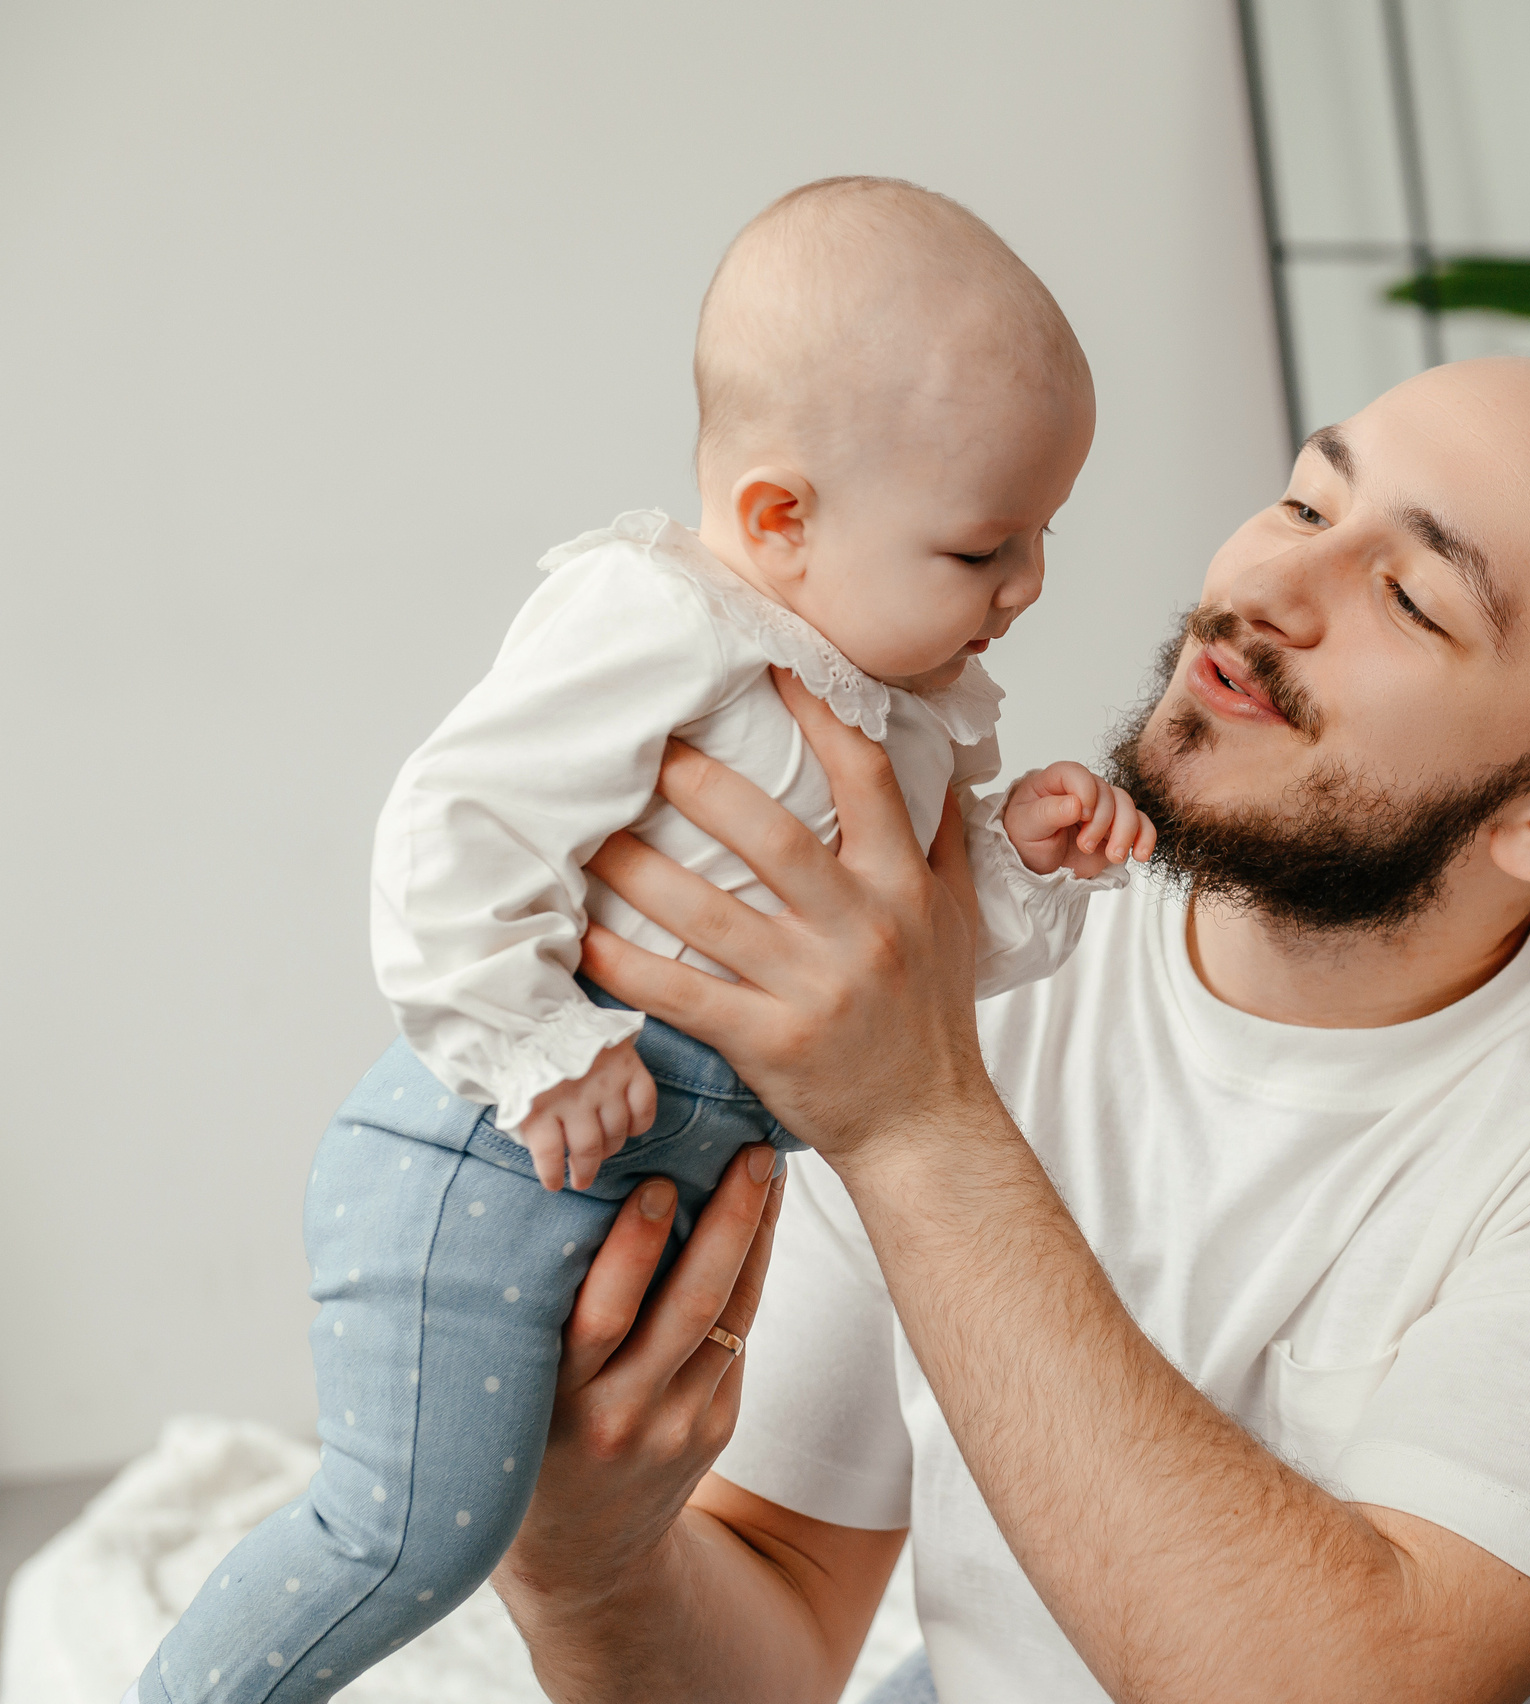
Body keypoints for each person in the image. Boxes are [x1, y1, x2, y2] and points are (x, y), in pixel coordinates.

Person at [483, 345, 1530, 1704]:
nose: (1262, 591)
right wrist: (582, 1569)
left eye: (1413, 599)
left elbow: (1351, 1685)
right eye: (1308, 504)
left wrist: (912, 1119)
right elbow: (776, 1600)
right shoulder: (977, 961)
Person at [132, 177, 1154, 1704]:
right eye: (984, 547)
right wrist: (534, 1046)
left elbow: (906, 981)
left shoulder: (914, 712)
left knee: (518, 1519)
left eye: (1047, 535)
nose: (1031, 585)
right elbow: (456, 823)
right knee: (409, 1535)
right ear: (777, 520)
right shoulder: (667, 622)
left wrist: (1023, 864)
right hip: (487, 1160)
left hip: (627, 1197)